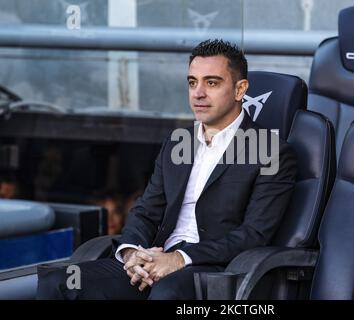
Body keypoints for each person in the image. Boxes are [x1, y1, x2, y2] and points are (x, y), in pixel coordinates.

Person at [36, 39, 298, 300]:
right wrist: (131, 253)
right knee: (60, 280)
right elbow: (146, 210)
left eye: (212, 82)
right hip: (153, 258)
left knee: (166, 293)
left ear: (240, 90)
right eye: (192, 82)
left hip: (213, 268)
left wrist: (179, 259)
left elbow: (254, 234)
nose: (198, 93)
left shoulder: (270, 150)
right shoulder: (178, 142)